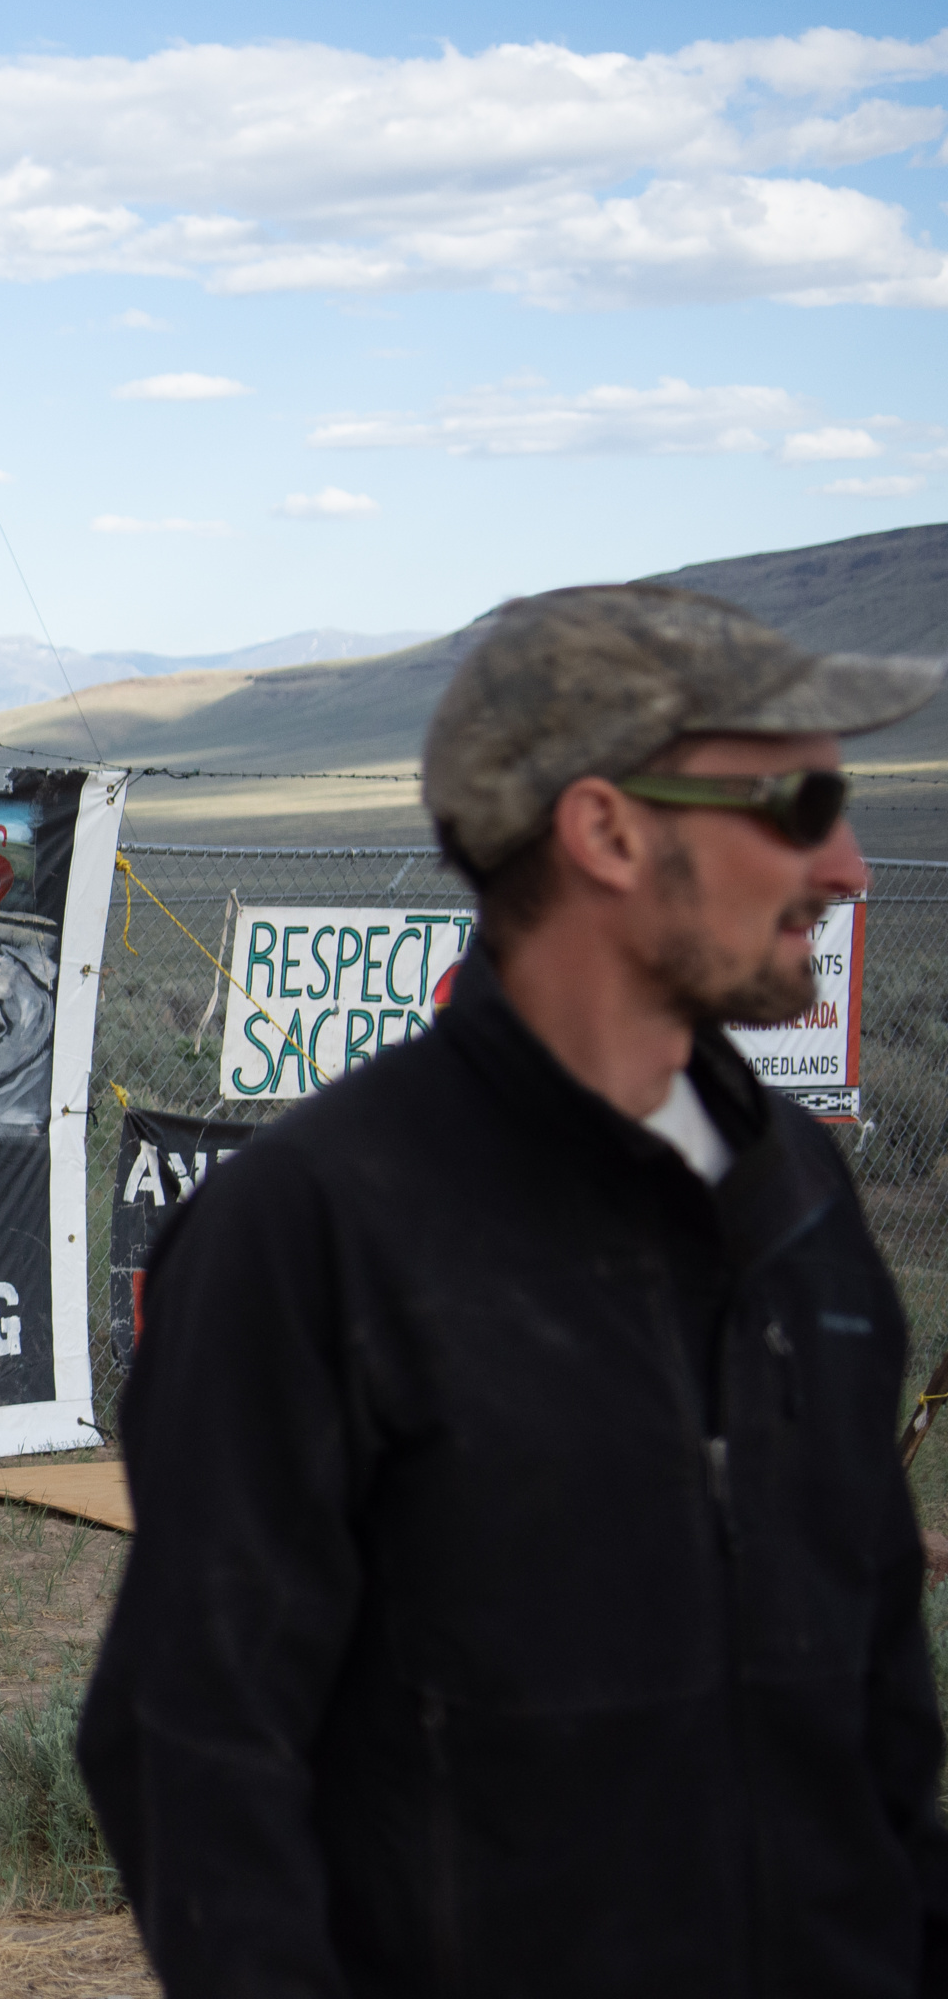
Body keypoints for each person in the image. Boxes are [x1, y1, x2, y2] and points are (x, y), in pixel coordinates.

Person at [78, 584, 948, 1995]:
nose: (848, 866)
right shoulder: (311, 1232)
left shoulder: (799, 1199)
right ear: (606, 830)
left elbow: (882, 1708)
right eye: (794, 802)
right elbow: (195, 1757)